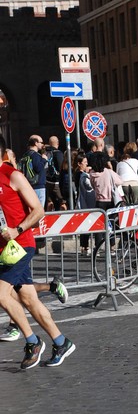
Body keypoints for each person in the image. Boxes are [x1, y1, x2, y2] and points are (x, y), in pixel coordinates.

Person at [0, 134, 75, 368]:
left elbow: (38, 210)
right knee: (29, 299)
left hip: (20, 245)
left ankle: (32, 342)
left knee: (1, 294)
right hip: (4, 251)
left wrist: (17, 229)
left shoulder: (12, 175)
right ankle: (60, 341)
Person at [75, 154, 95, 255]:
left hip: (87, 201)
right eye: (85, 162)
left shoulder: (83, 174)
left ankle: (85, 246)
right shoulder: (79, 174)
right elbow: (87, 185)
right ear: (79, 164)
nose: (87, 164)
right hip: (83, 202)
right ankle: (84, 246)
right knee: (84, 225)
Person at [19, 135, 47, 207]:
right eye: (41, 142)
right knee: (39, 210)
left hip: (29, 185)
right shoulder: (36, 155)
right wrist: (44, 159)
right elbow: (38, 168)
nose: (42, 144)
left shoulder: (25, 155)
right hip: (38, 186)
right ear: (35, 143)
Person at [44, 136, 66, 211]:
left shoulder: (45, 153)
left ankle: (49, 218)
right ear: (58, 143)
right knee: (62, 202)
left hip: (47, 181)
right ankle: (67, 217)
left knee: (50, 202)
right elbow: (61, 167)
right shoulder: (58, 153)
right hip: (56, 182)